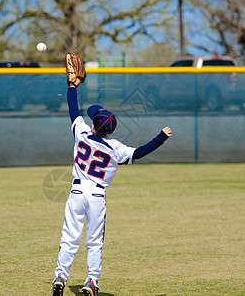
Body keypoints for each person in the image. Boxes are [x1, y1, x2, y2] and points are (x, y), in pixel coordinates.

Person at [51, 54, 172, 296]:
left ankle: (60, 277)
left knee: (69, 238)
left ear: (94, 125)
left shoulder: (82, 134)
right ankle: (91, 282)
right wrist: (161, 137)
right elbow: (139, 152)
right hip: (96, 196)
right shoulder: (116, 148)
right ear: (109, 130)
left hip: (76, 192)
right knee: (94, 243)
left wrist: (72, 86)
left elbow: (73, 110)